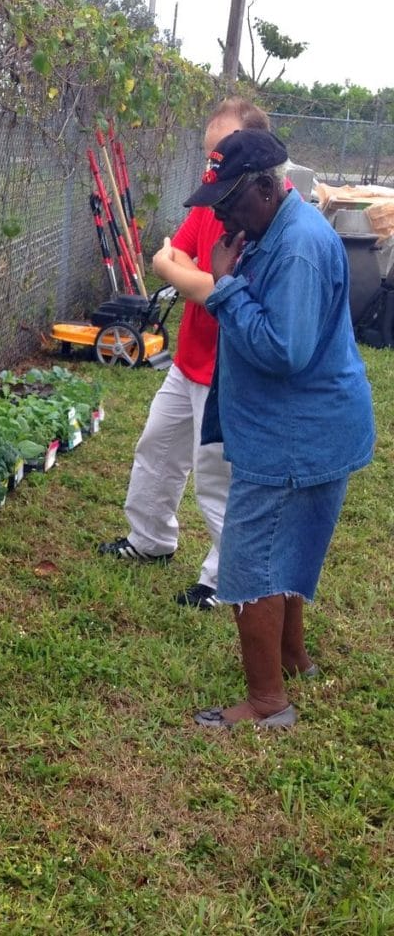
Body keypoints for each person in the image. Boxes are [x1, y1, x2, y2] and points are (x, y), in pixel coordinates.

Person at [181, 128, 374, 729]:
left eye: (228, 201)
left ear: (268, 187)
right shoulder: (276, 229)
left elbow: (283, 350)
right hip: (311, 427)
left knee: (251, 562)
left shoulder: (295, 247)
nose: (218, 215)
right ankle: (292, 660)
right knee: (285, 550)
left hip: (294, 434)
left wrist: (224, 286)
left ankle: (267, 704)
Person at [98, 98, 271, 611]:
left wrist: (175, 267)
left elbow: (201, 283)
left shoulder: (261, 218)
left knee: (217, 477)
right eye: (209, 157)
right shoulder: (212, 201)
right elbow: (177, 259)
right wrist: (180, 268)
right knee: (157, 447)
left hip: (228, 371)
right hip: (189, 360)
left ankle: (226, 580)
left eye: (222, 156)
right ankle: (150, 538)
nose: (211, 169)